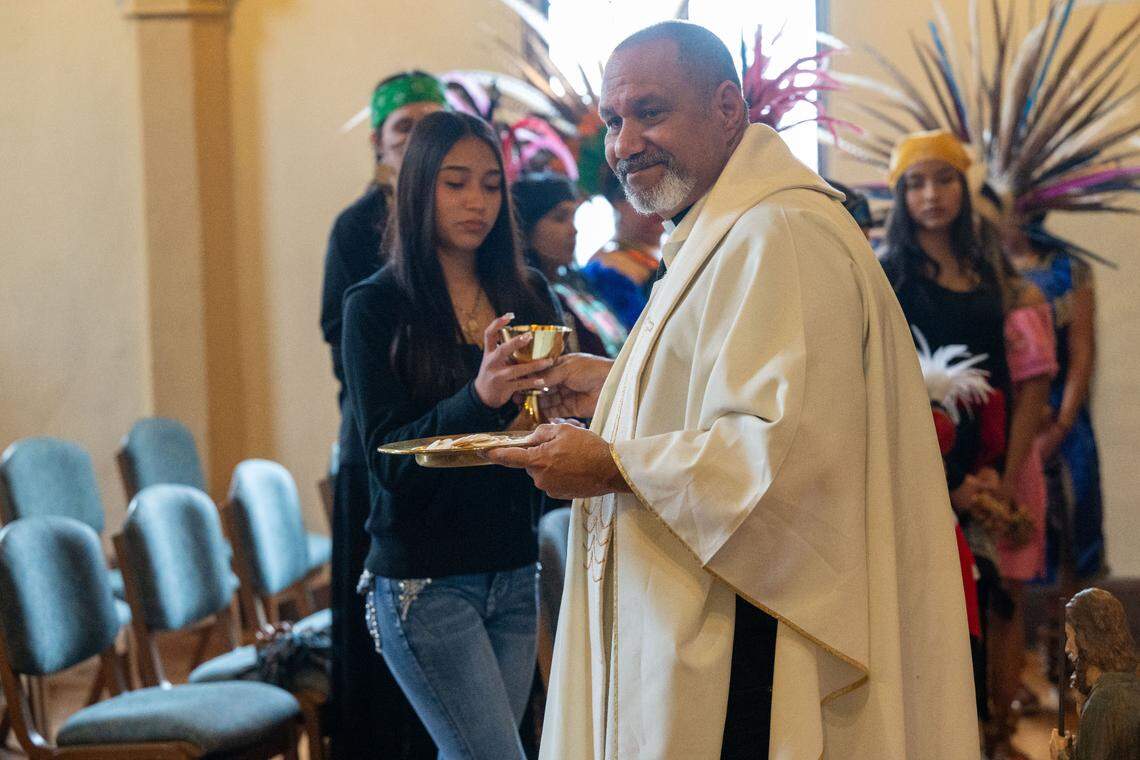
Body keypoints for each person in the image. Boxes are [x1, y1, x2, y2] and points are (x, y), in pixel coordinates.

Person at [488, 21, 977, 759]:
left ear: (726, 108)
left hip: (753, 635)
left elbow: (784, 454)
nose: (623, 144)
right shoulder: (722, 227)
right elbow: (732, 385)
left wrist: (611, 464)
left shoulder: (779, 232)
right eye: (616, 120)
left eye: (650, 112)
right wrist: (615, 386)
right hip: (709, 605)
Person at [341, 110, 562, 759]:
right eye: (456, 182)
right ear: (419, 189)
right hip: (426, 581)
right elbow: (386, 461)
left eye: (492, 185)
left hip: (514, 569)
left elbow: (542, 426)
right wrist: (480, 397)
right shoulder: (376, 306)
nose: (478, 202)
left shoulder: (527, 291)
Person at [879, 129, 1056, 758]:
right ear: (900, 195)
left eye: (944, 178)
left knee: (1002, 594)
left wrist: (1003, 480)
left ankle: (998, 731)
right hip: (918, 468)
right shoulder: (885, 279)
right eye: (916, 182)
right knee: (931, 599)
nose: (932, 195)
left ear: (965, 187)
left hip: (997, 463)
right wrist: (943, 480)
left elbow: (1027, 383)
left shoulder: (1000, 282)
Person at [320, 70, 445, 760]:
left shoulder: (460, 225)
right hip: (379, 452)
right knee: (378, 640)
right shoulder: (357, 227)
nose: (417, 141)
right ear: (379, 141)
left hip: (449, 443)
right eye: (405, 128)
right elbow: (346, 347)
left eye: (431, 126)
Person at [512, 172, 627, 358]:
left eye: (573, 217)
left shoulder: (577, 286)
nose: (573, 229)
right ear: (524, 229)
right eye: (559, 218)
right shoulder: (526, 298)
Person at [1050, 588, 1140, 760]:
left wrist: (1060, 754)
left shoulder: (1100, 704)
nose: (1067, 647)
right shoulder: (1133, 685)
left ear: (1086, 639)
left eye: (1069, 636)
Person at [580, 169, 664, 329]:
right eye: (644, 193)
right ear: (616, 202)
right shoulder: (605, 267)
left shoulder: (675, 251)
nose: (655, 204)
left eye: (661, 193)